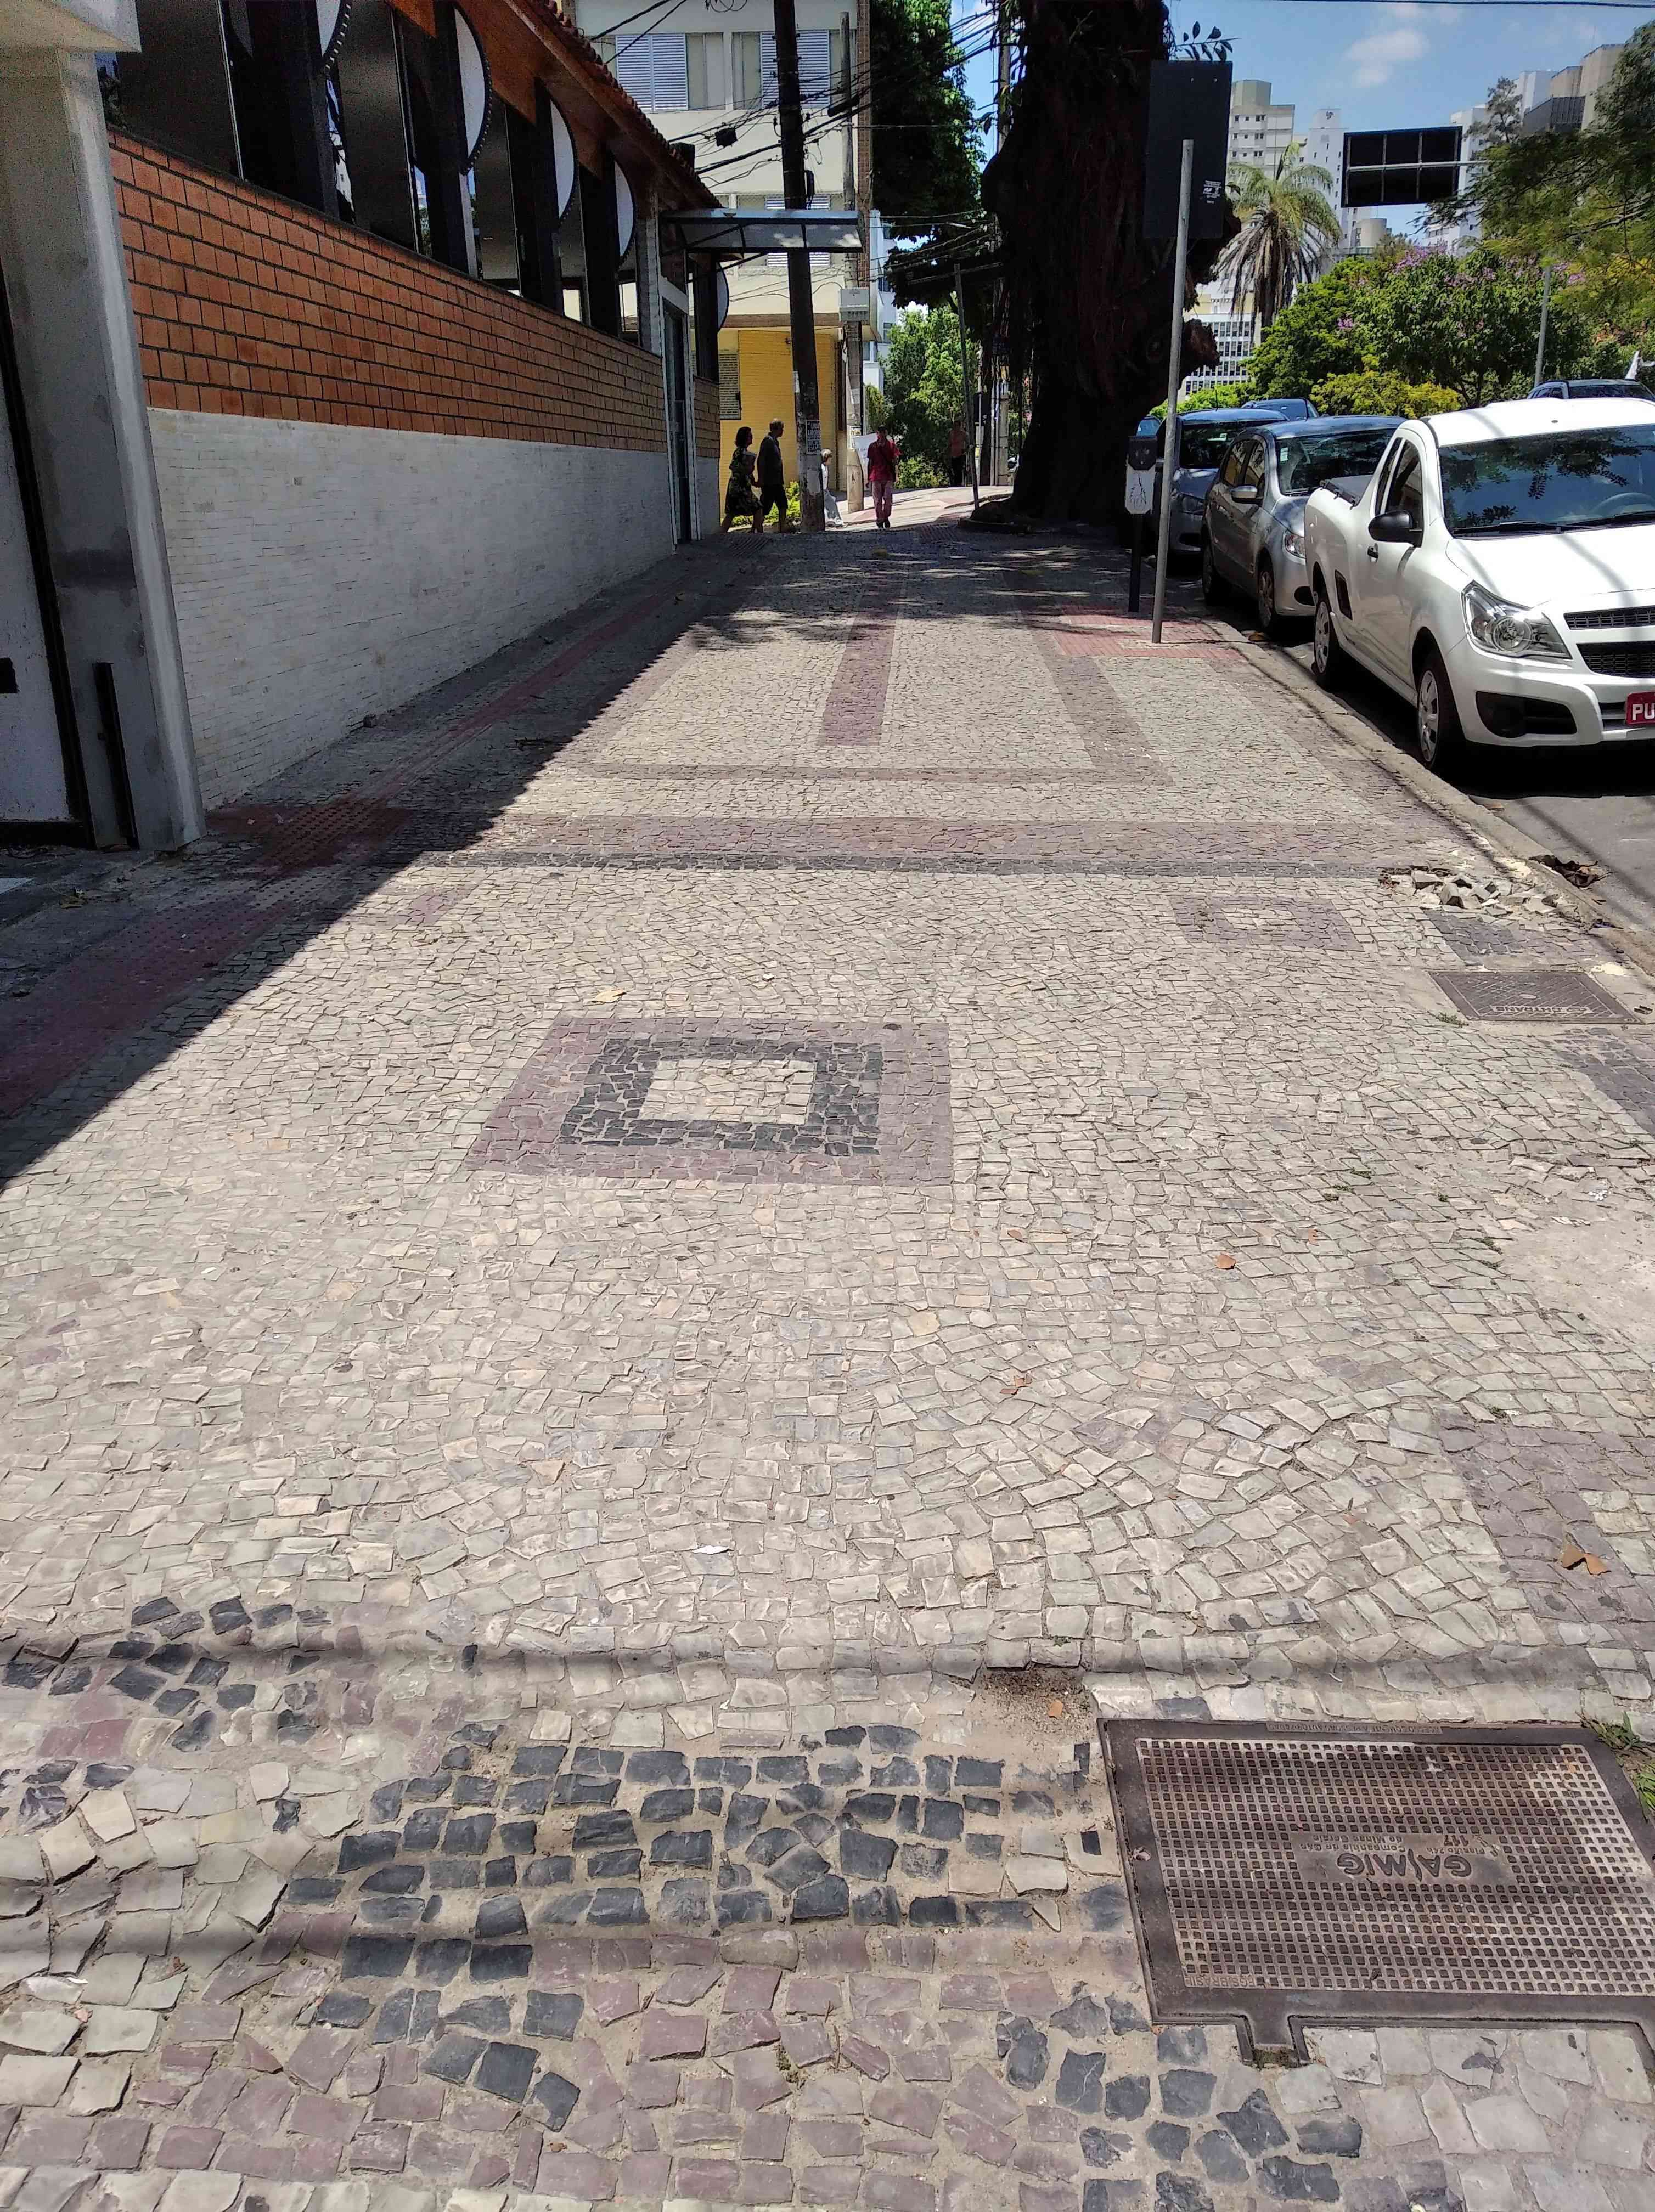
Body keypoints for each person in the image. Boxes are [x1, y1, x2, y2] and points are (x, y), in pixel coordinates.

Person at [721, 426, 762, 533]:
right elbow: (733, 466)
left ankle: (722, 534)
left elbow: (749, 473)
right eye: (749, 436)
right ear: (744, 438)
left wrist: (754, 481)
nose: (752, 438)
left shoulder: (744, 452)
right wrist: (746, 469)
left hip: (738, 487)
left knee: (732, 513)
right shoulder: (739, 452)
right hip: (739, 488)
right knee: (757, 507)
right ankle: (760, 533)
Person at [757, 419, 792, 531]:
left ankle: (782, 527)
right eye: (782, 428)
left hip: (777, 481)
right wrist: (761, 478)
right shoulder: (768, 442)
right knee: (765, 506)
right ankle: (755, 528)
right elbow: (761, 460)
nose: (783, 431)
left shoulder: (775, 442)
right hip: (769, 481)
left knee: (783, 504)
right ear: (777, 429)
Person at [866, 425, 898, 531]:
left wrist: (896, 475)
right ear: (877, 434)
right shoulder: (873, 446)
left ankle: (886, 517)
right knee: (877, 500)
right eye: (879, 433)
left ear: (886, 433)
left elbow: (895, 461)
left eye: (883, 432)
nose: (881, 435)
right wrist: (868, 478)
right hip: (875, 477)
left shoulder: (891, 445)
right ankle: (880, 520)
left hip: (888, 476)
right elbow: (870, 463)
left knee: (888, 499)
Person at [947, 416, 966, 488]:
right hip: (953, 454)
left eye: (957, 426)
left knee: (959, 470)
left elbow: (968, 442)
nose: (955, 427)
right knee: (954, 470)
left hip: (960, 454)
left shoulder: (963, 434)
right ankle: (955, 484)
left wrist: (965, 449)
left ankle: (959, 484)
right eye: (954, 426)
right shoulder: (951, 433)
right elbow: (949, 444)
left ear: (960, 426)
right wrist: (948, 454)